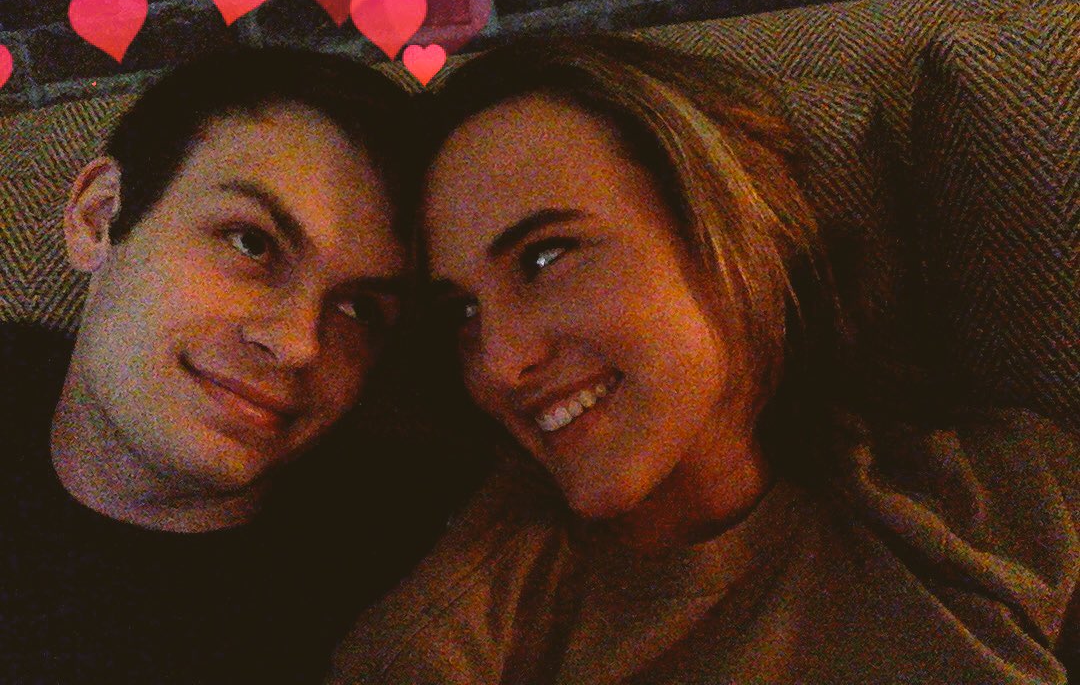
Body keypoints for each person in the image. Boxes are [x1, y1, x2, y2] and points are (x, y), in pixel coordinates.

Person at [329, 35, 1079, 683]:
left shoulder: (1005, 498)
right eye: (461, 312)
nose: (498, 362)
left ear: (736, 225)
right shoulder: (451, 650)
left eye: (546, 256)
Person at [0, 48, 430, 684]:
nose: (299, 345)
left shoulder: (401, 607)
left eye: (359, 309)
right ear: (99, 217)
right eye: (252, 243)